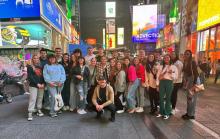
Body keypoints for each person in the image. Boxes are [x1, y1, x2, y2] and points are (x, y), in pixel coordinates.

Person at [156, 54, 178, 120]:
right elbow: (158, 76)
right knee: (161, 98)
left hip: (169, 82)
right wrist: (157, 85)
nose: (166, 59)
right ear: (163, 59)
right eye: (165, 58)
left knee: (168, 98)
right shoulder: (161, 66)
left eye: (168, 57)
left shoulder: (173, 67)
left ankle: (167, 112)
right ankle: (161, 112)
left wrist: (171, 73)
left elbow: (175, 77)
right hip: (162, 82)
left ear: (170, 58)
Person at [182, 50, 199, 120]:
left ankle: (191, 115)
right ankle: (188, 113)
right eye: (185, 54)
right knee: (189, 98)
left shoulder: (193, 62)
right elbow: (185, 73)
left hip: (194, 81)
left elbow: (196, 74)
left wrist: (194, 84)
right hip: (190, 81)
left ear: (190, 55)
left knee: (192, 98)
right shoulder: (185, 62)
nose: (186, 55)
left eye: (188, 54)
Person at [27, 54, 45, 121]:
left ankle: (39, 109)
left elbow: (43, 76)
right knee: (33, 99)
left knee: (40, 98)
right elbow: (30, 77)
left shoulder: (41, 67)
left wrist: (43, 83)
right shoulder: (30, 67)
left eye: (37, 58)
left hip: (41, 85)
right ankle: (30, 112)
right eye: (34, 58)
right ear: (32, 59)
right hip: (33, 85)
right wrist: (37, 84)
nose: (36, 59)